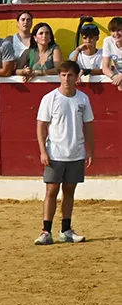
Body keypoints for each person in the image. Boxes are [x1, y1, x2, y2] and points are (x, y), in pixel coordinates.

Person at [35, 61, 93, 244]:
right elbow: (41, 125)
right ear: (59, 76)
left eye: (70, 75)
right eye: (63, 75)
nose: (66, 79)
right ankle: (46, 231)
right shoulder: (50, 98)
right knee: (51, 190)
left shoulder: (83, 99)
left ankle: (66, 230)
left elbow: (88, 125)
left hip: (76, 152)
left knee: (69, 190)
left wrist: (90, 150)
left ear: (76, 77)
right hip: (55, 152)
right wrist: (43, 151)